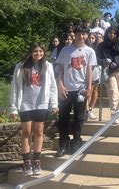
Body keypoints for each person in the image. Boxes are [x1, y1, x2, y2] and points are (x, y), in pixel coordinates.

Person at [8, 43, 58, 176]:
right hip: (25, 104)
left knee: (39, 132)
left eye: (40, 51)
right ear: (31, 52)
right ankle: (26, 163)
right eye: (35, 51)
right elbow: (14, 88)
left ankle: (36, 161)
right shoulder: (21, 66)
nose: (38, 53)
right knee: (26, 133)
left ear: (44, 53)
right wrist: (13, 108)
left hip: (41, 103)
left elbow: (53, 85)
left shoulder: (48, 66)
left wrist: (54, 103)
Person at [55, 25, 97, 157]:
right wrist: (60, 85)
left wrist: (89, 88)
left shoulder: (90, 51)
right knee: (63, 118)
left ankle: (76, 142)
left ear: (87, 36)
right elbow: (60, 70)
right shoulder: (66, 50)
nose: (82, 36)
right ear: (75, 34)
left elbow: (89, 71)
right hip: (66, 89)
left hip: (81, 89)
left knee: (79, 118)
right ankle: (63, 144)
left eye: (84, 34)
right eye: (79, 34)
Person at [85, 33, 101, 121]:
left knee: (95, 90)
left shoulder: (98, 48)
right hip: (86, 73)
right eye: (90, 38)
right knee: (89, 91)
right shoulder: (85, 48)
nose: (91, 39)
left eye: (93, 38)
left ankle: (91, 108)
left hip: (96, 72)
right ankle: (86, 110)